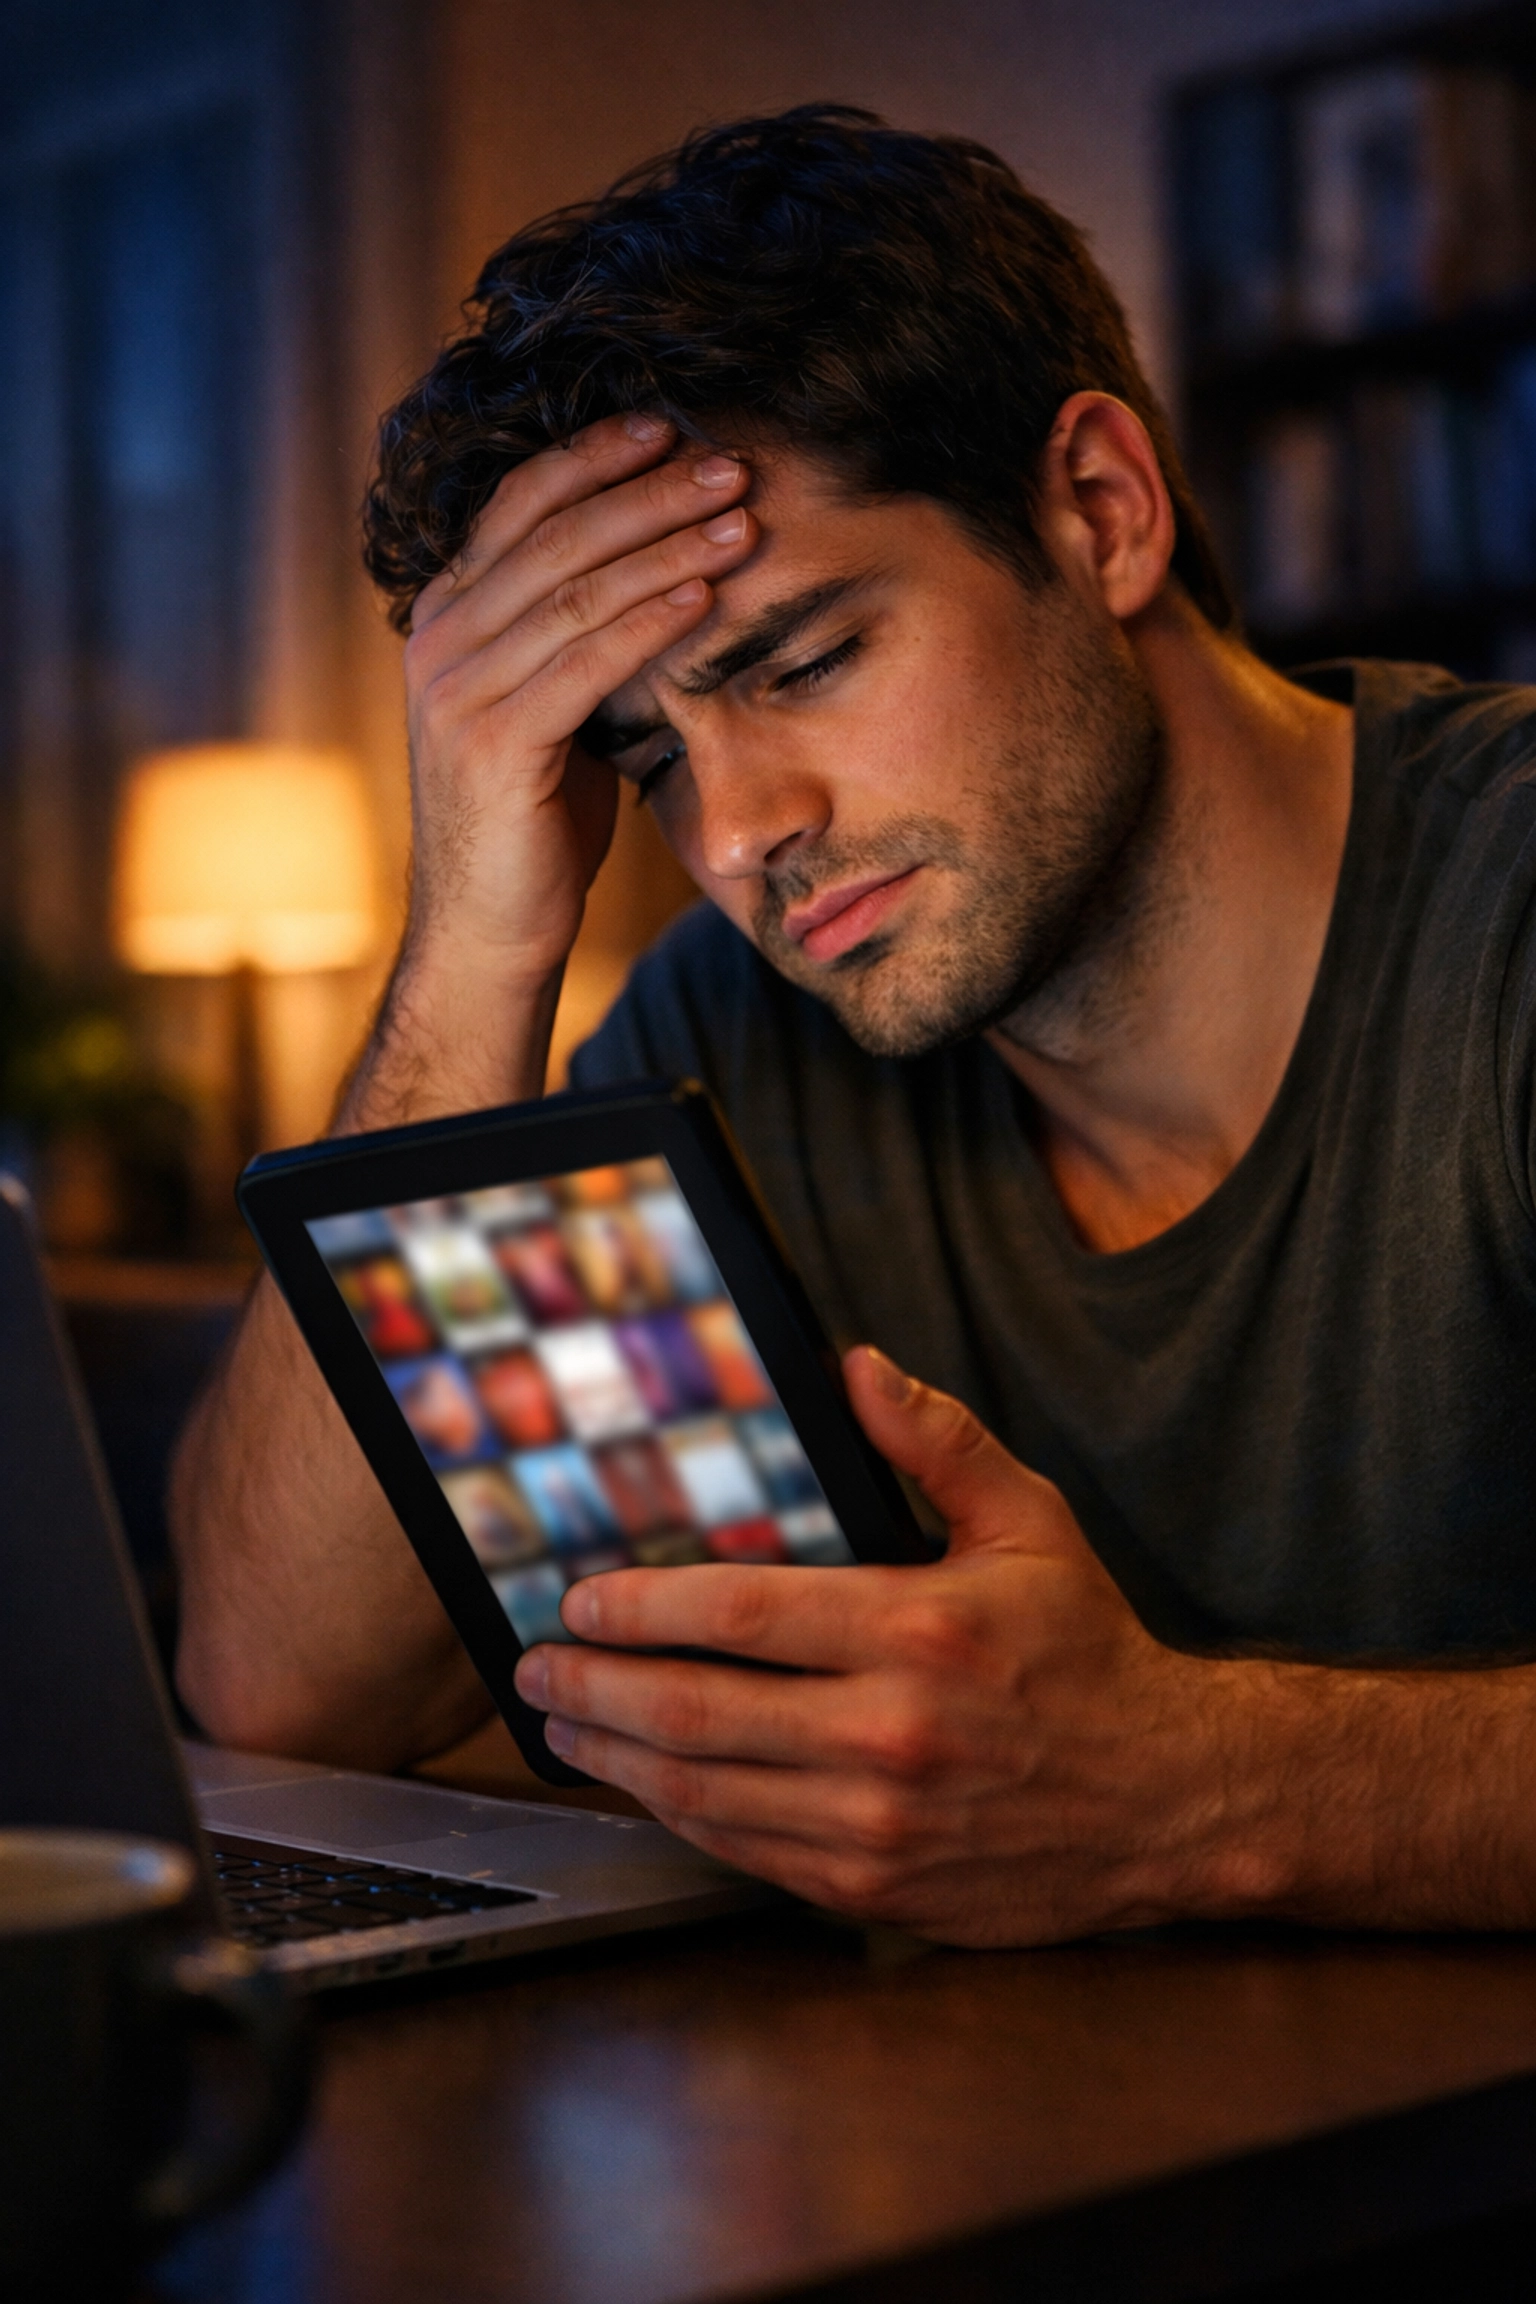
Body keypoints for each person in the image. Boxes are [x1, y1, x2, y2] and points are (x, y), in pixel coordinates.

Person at [171, 107, 1536, 1946]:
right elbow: (288, 1700)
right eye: (649, 759)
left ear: (1100, 510)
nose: (735, 840)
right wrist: (477, 939)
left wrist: (1191, 1781)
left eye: (805, 661)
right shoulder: (742, 1035)